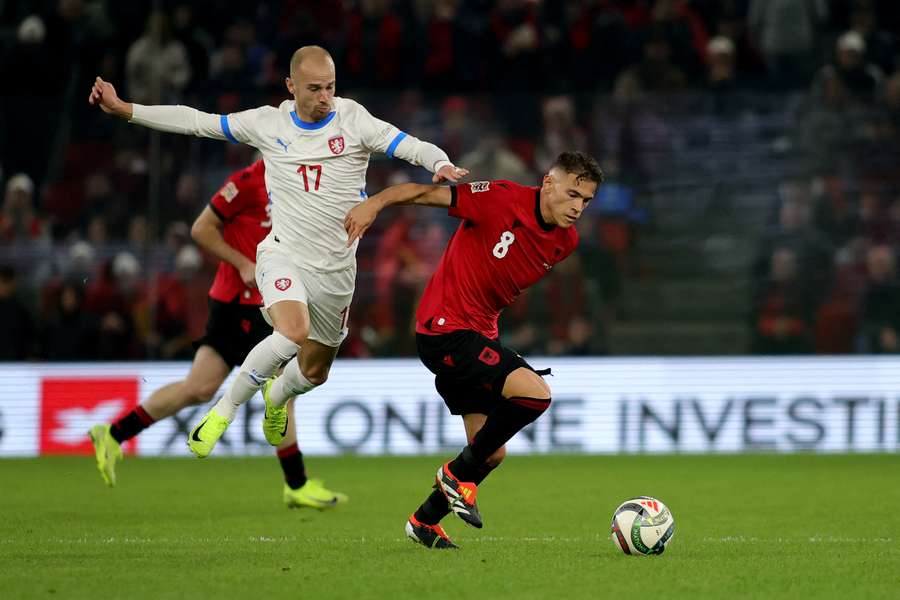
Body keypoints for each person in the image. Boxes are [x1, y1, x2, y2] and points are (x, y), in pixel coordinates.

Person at [88, 45, 467, 458]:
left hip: (336, 270)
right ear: (291, 86)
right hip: (282, 254)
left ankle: (277, 396)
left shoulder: (354, 119)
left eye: (331, 87)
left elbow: (410, 145)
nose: (325, 98)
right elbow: (196, 122)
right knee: (291, 331)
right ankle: (224, 410)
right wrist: (126, 109)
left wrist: (440, 162)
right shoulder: (267, 123)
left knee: (315, 372)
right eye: (315, 89)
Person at [344, 151, 602, 549]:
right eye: (572, 194)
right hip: (445, 328)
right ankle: (455, 474)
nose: (577, 207)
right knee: (535, 393)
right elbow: (423, 195)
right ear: (548, 183)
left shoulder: (565, 242)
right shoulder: (499, 197)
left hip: (479, 335)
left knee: (492, 454)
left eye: (585, 201)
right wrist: (374, 203)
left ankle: (424, 521)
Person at [88, 160, 346, 508]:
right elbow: (201, 228)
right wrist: (242, 263)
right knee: (281, 388)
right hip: (242, 301)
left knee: (198, 388)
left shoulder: (302, 176)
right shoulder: (248, 181)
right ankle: (296, 484)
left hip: (264, 297)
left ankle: (113, 433)